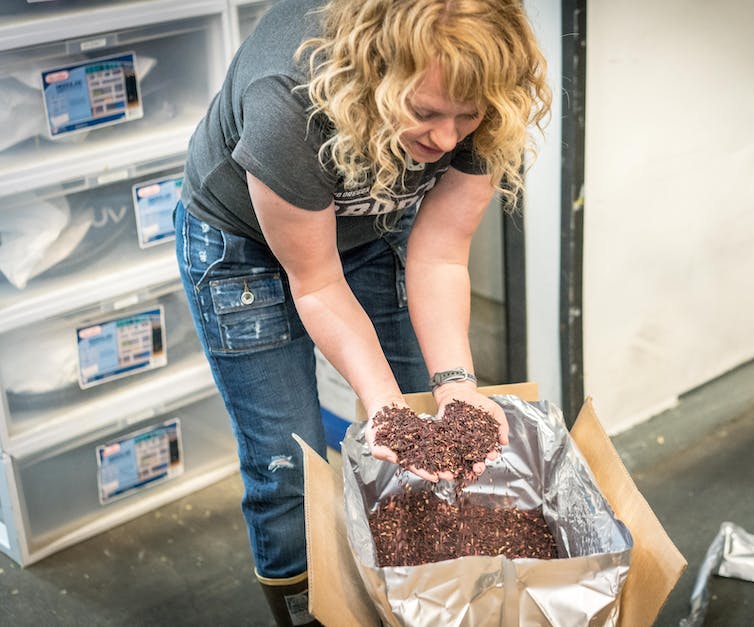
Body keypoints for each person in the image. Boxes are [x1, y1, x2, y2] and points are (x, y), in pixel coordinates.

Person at [174, 0, 550, 624]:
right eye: (425, 114)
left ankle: (421, 600)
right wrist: (385, 409)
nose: (448, 140)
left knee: (427, 421)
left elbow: (440, 254)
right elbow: (316, 281)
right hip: (241, 246)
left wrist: (456, 385)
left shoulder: (488, 87)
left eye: (468, 117)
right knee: (288, 467)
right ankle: (307, 615)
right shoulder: (288, 97)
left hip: (368, 220)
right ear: (375, 75)